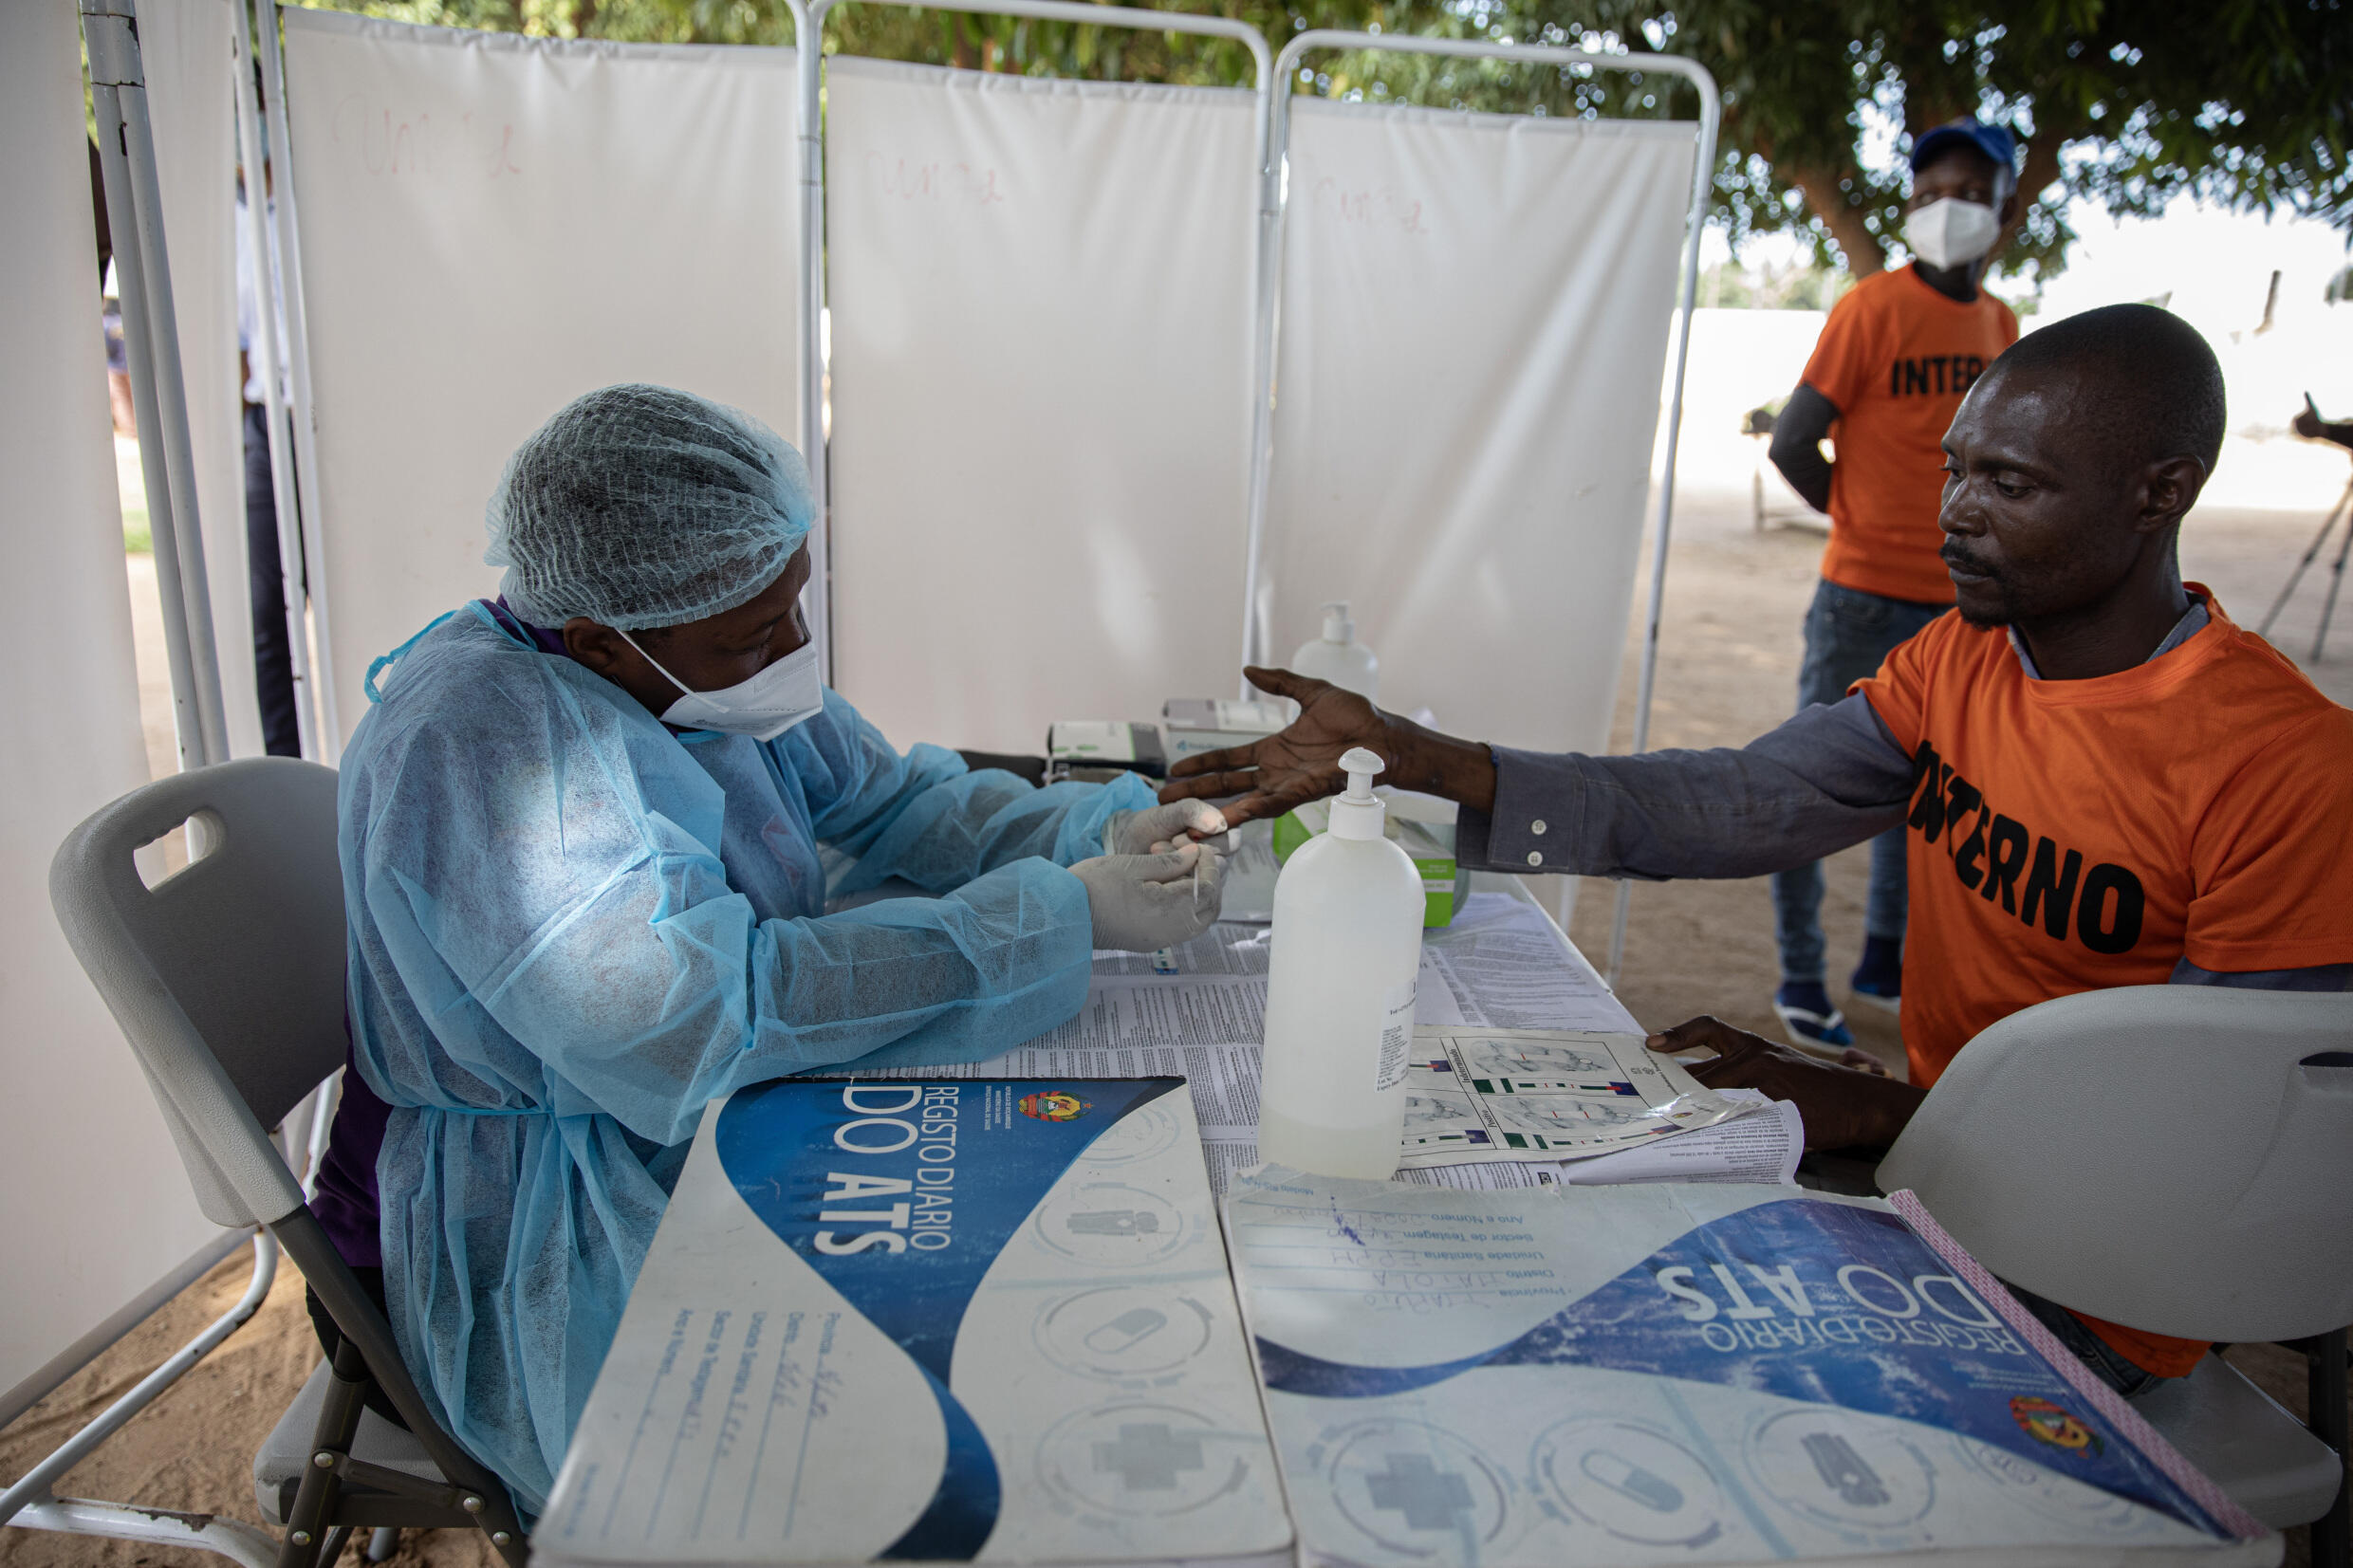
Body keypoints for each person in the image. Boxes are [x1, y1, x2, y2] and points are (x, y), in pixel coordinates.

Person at [1163, 304, 2353, 1397]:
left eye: (2008, 481)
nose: (1953, 511)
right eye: (1951, 469)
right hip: (1930, 1173)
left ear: (2158, 493)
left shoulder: (2283, 769)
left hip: (2092, 1272)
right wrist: (1423, 757)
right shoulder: (1959, 660)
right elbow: (1747, 801)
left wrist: (1882, 1113)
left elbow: (2209, 1138)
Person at [306, 384, 1230, 1513]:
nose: (792, 648)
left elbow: (895, 806)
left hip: (663, 1128)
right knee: (870, 1448)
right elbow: (702, 1023)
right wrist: (1061, 914)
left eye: (797, 605)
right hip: (521, 1223)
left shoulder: (693, 669)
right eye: (756, 635)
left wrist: (1093, 830)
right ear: (601, 638)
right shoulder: (490, 757)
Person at [1763, 117, 2023, 1050]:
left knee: (1925, 797)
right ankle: (1799, 973)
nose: (1943, 210)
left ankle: (1883, 959)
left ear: (2001, 209)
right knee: (1809, 792)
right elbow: (1793, 438)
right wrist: (1858, 517)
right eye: (1925, 196)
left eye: (1964, 194)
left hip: (1962, 608)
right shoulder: (1868, 309)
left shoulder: (1998, 325)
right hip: (1858, 599)